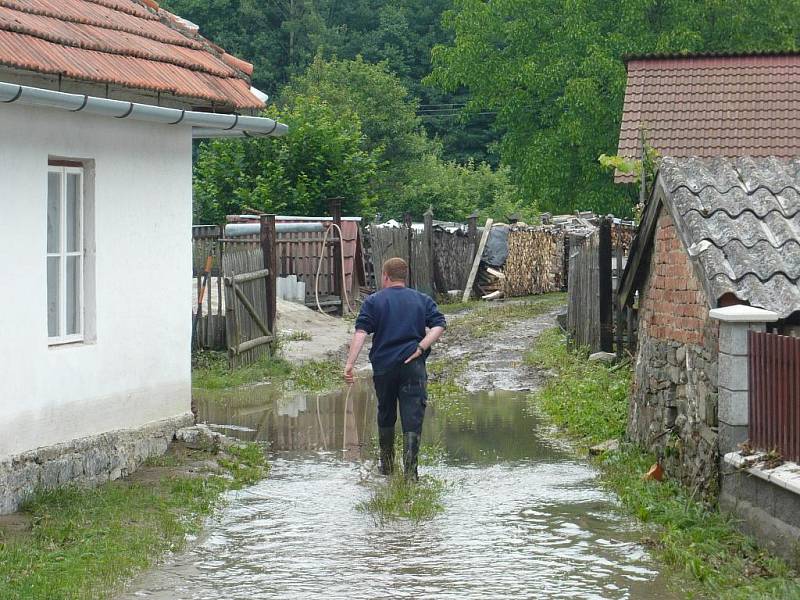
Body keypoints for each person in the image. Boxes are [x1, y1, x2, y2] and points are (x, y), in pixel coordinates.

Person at [343, 257, 446, 480]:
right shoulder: (421, 300)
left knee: (386, 412)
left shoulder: (373, 301)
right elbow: (439, 324)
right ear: (404, 277)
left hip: (384, 367)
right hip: (414, 366)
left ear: (385, 276)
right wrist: (421, 347)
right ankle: (410, 474)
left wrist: (350, 364)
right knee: (413, 415)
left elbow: (361, 333)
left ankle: (387, 468)